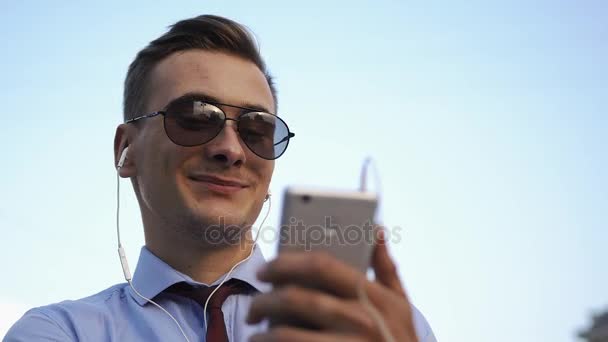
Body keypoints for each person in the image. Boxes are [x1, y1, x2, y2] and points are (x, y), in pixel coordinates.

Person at [4, 14, 436, 341]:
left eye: (257, 129)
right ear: (125, 150)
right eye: (195, 117)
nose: (230, 149)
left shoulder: (377, 325)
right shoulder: (59, 332)